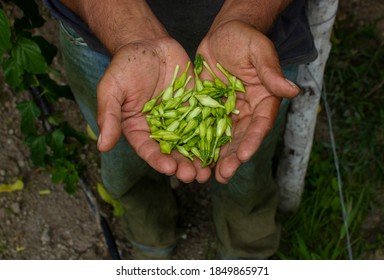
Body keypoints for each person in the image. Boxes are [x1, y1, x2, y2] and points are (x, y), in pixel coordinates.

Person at [44, 0, 317, 259]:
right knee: (125, 165)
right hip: (104, 33)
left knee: (248, 167)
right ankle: (151, 242)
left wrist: (247, 16)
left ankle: (246, 252)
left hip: (257, 46)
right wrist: (129, 31)